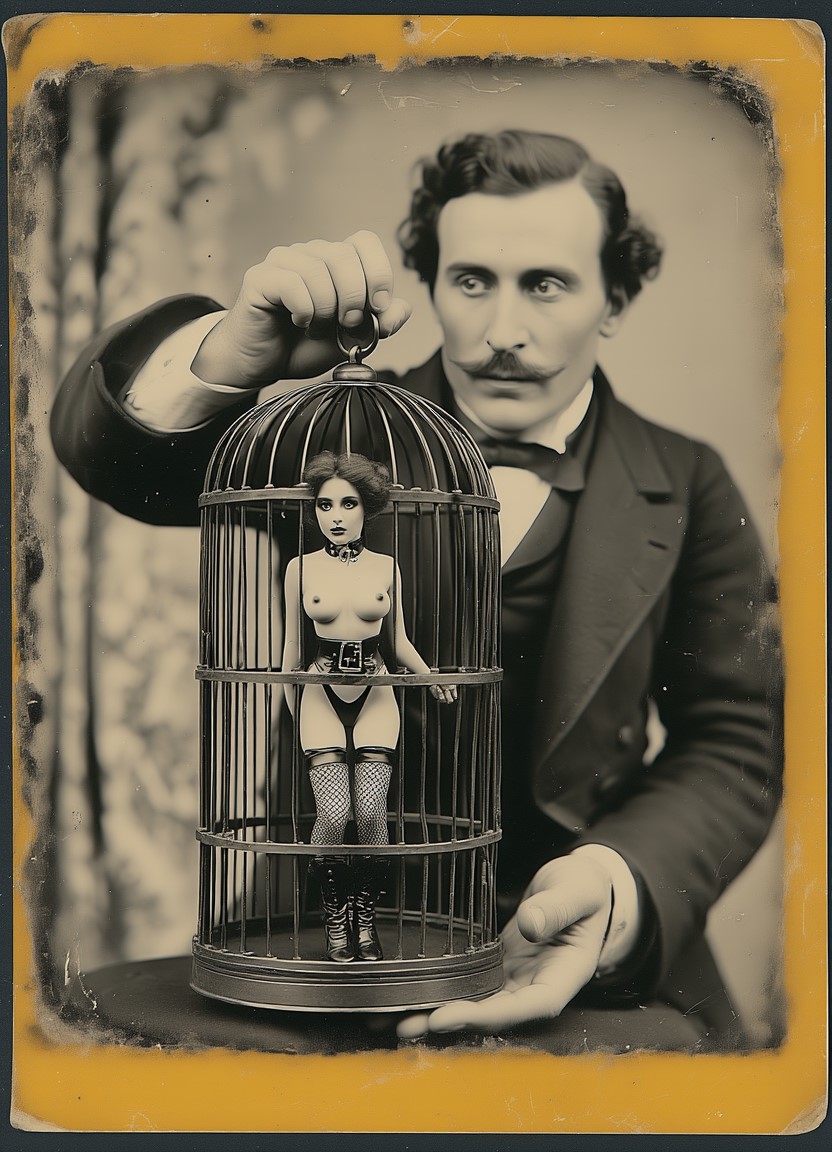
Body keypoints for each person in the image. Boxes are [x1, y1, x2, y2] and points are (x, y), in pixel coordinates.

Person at [51, 129, 781, 1051]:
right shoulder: (334, 437)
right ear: (431, 285)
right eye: (471, 281)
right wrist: (237, 355)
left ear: (615, 300)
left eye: (546, 284)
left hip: (578, 951)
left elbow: (736, 739)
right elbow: (114, 462)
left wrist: (617, 882)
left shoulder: (689, 480)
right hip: (319, 937)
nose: (503, 331)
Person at [284, 449, 456, 963]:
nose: (335, 516)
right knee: (335, 813)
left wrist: (428, 678)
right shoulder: (299, 568)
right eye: (324, 505)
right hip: (319, 690)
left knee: (373, 813)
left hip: (377, 689)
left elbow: (398, 640)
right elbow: (289, 653)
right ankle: (335, 917)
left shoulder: (386, 566)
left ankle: (365, 919)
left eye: (348, 504)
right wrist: (297, 714)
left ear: (368, 508)